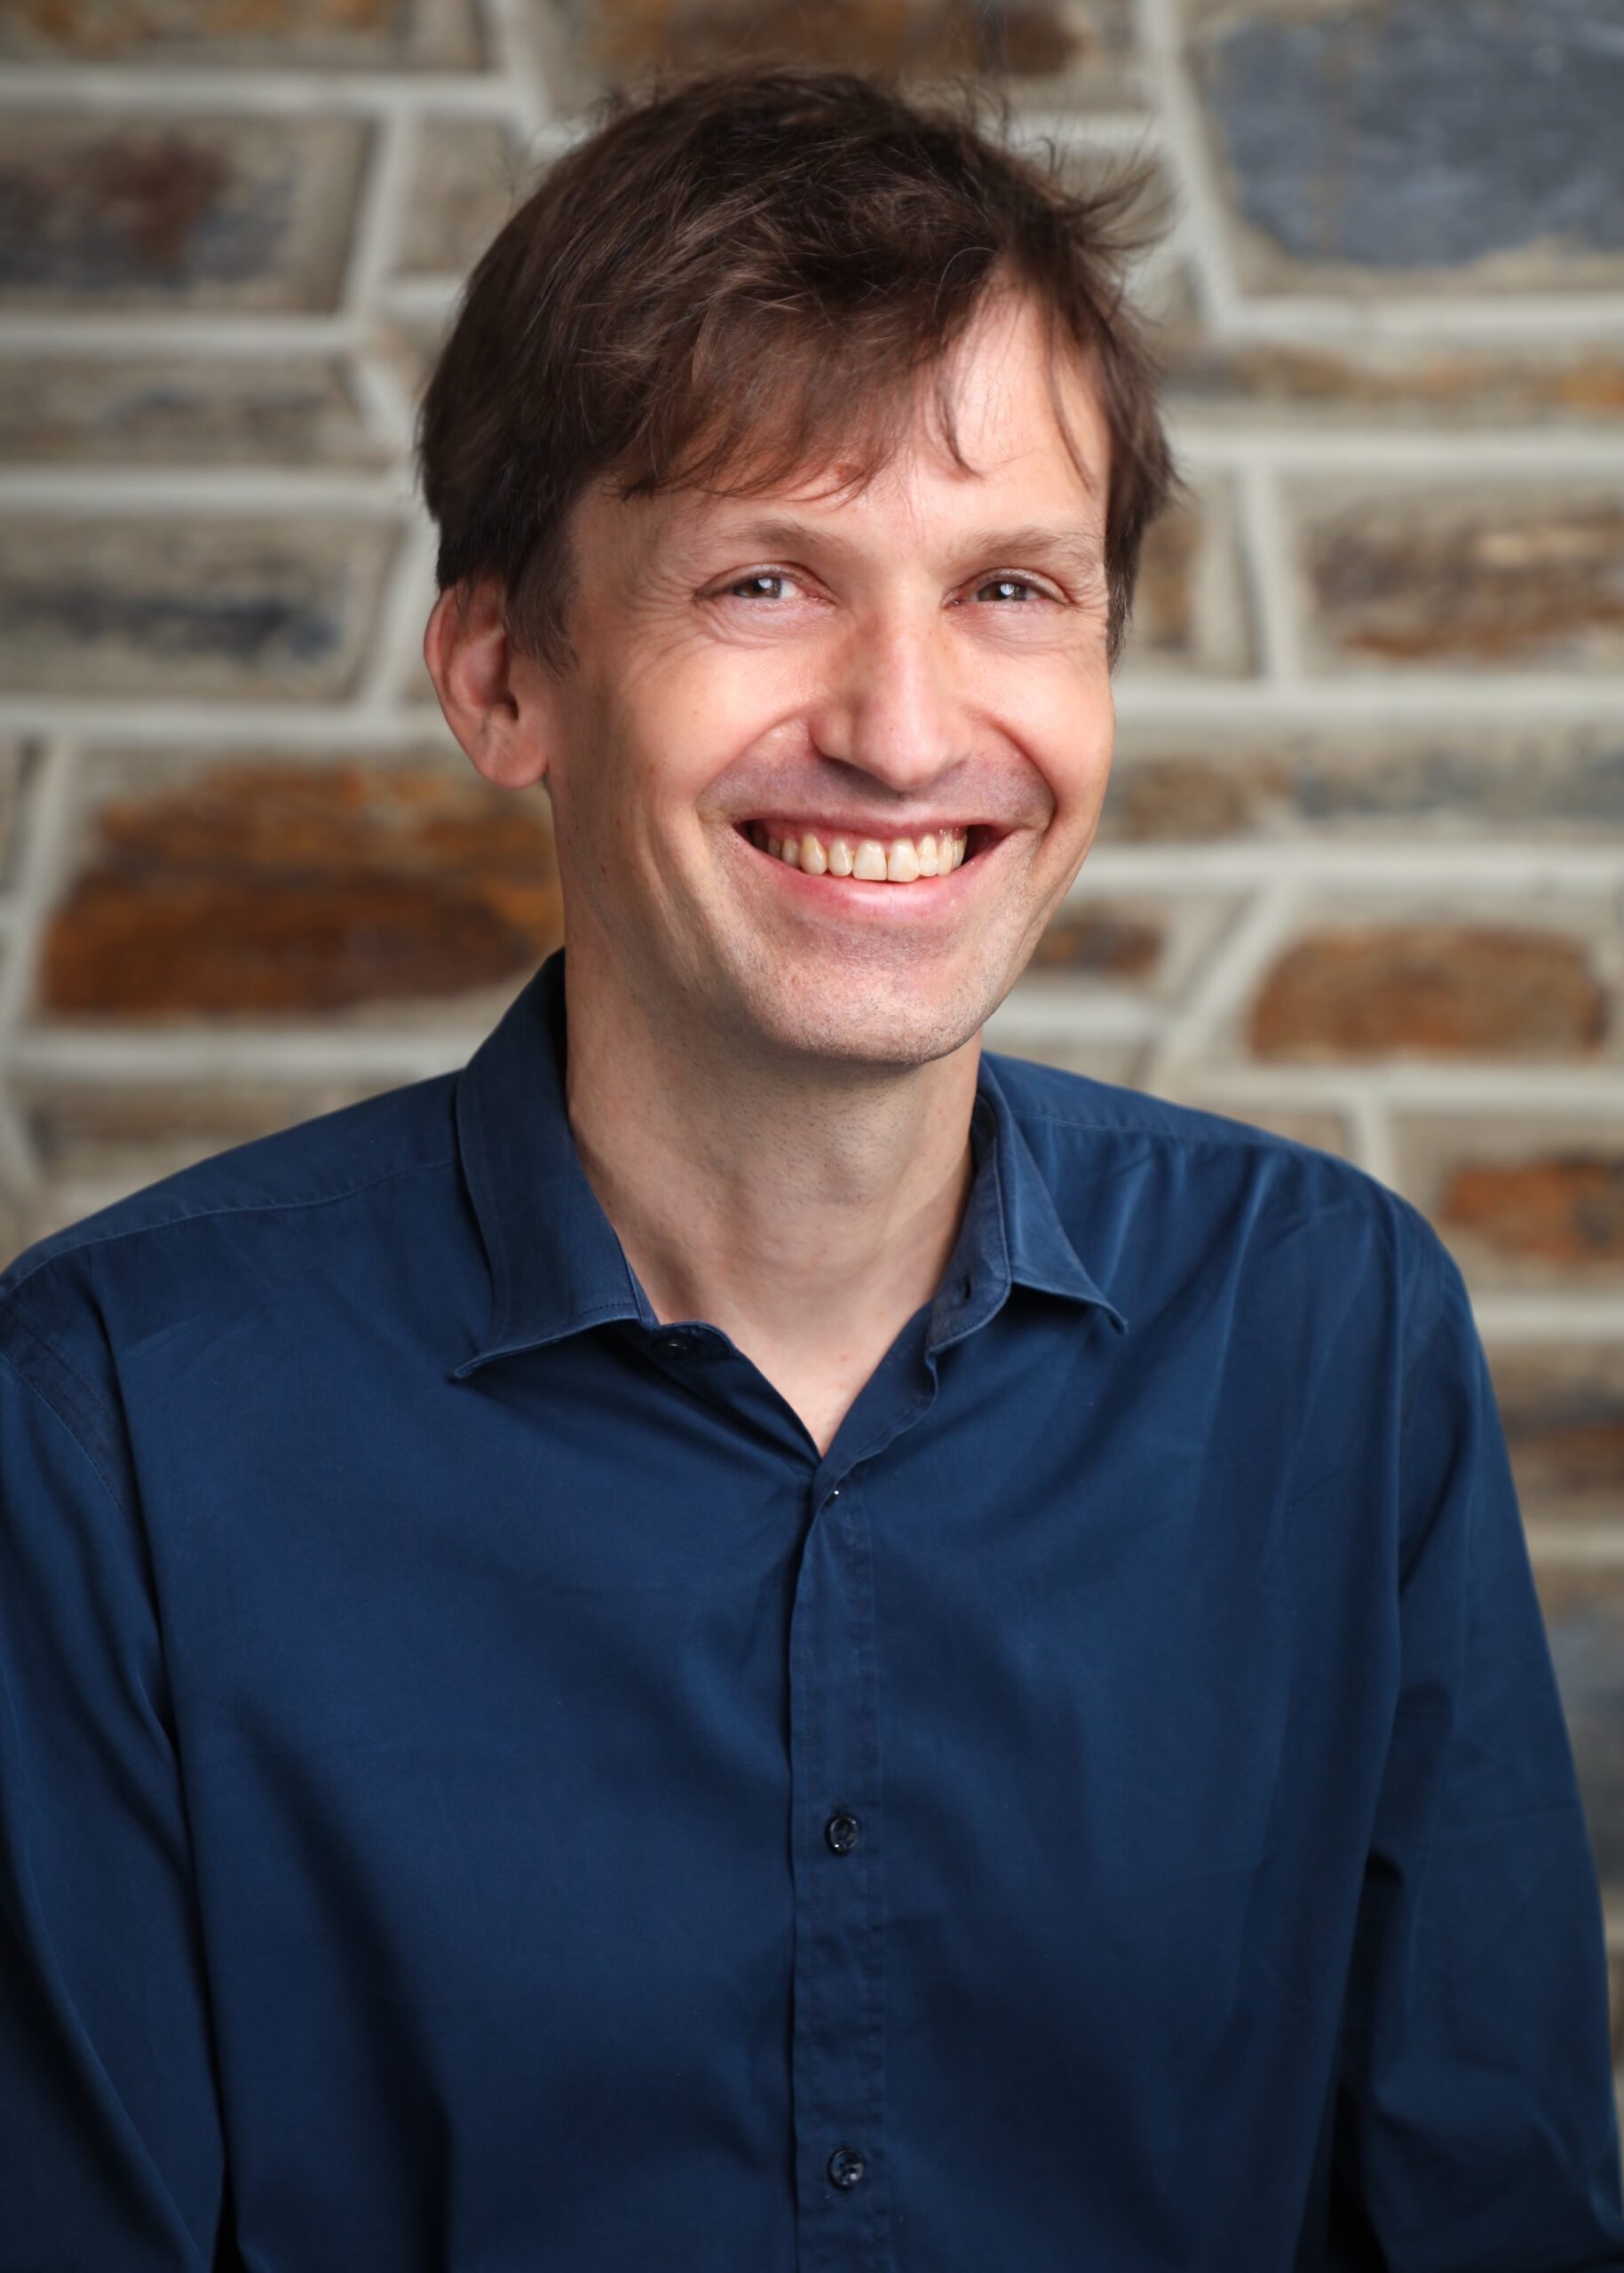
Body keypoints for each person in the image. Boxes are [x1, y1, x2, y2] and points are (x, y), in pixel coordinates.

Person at [0, 62, 1620, 2273]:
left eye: (1015, 589)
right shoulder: (110, 1416)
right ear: (503, 675)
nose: (905, 723)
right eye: (768, 578)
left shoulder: (1333, 1334)